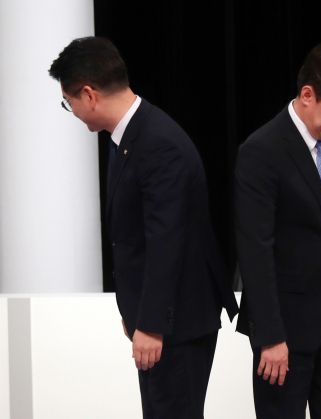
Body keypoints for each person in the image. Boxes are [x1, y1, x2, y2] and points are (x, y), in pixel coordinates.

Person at [49, 37, 238, 418]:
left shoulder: (157, 143)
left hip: (177, 324)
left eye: (69, 102)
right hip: (164, 320)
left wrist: (151, 324)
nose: (73, 112)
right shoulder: (131, 136)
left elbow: (166, 241)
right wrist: (135, 309)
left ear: (89, 94)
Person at [235, 39, 321, 419]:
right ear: (308, 95)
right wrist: (270, 336)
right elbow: (255, 249)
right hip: (284, 326)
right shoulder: (261, 150)